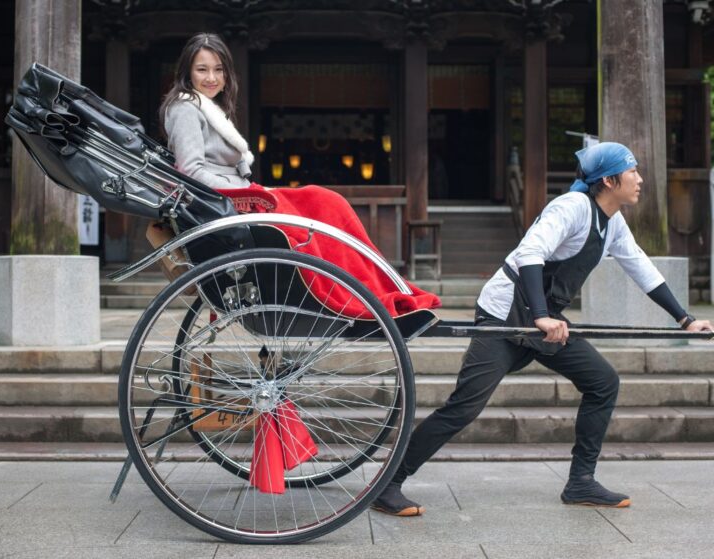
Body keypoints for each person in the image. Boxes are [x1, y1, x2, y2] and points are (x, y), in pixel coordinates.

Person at [371, 141, 714, 516]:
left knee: (603, 382)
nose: (640, 179)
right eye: (633, 172)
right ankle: (388, 485)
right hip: (506, 315)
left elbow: (640, 267)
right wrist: (540, 316)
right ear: (611, 180)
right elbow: (528, 254)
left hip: (545, 318)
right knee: (464, 408)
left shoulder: (612, 222)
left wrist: (685, 319)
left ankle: (581, 481)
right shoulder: (571, 208)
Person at [159, 33, 440, 317]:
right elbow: (192, 173)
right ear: (187, 72)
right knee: (319, 210)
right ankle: (362, 292)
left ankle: (378, 286)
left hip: (244, 195)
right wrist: (246, 194)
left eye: (219, 70)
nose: (212, 78)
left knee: (327, 202)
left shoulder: (209, 108)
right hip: (232, 202)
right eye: (202, 69)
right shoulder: (185, 108)